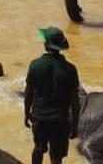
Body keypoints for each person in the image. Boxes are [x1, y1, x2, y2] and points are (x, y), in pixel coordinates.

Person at [24, 26, 80, 164]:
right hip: (60, 120)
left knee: (38, 148)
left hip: (40, 117)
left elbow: (28, 93)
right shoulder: (70, 69)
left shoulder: (35, 65)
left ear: (45, 44)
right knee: (56, 156)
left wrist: (26, 113)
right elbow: (75, 100)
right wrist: (75, 124)